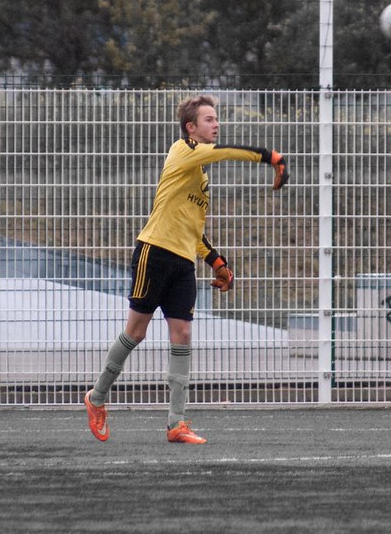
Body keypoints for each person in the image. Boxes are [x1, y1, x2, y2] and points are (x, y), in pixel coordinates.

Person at [84, 94, 289, 444]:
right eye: (209, 119)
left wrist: (217, 262)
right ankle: (97, 396)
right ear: (190, 127)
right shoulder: (182, 150)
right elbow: (223, 153)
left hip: (182, 263)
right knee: (136, 332)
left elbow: (195, 231)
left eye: (216, 118)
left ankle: (176, 423)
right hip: (154, 252)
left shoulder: (200, 177)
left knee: (183, 336)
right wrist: (269, 156)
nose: (216, 124)